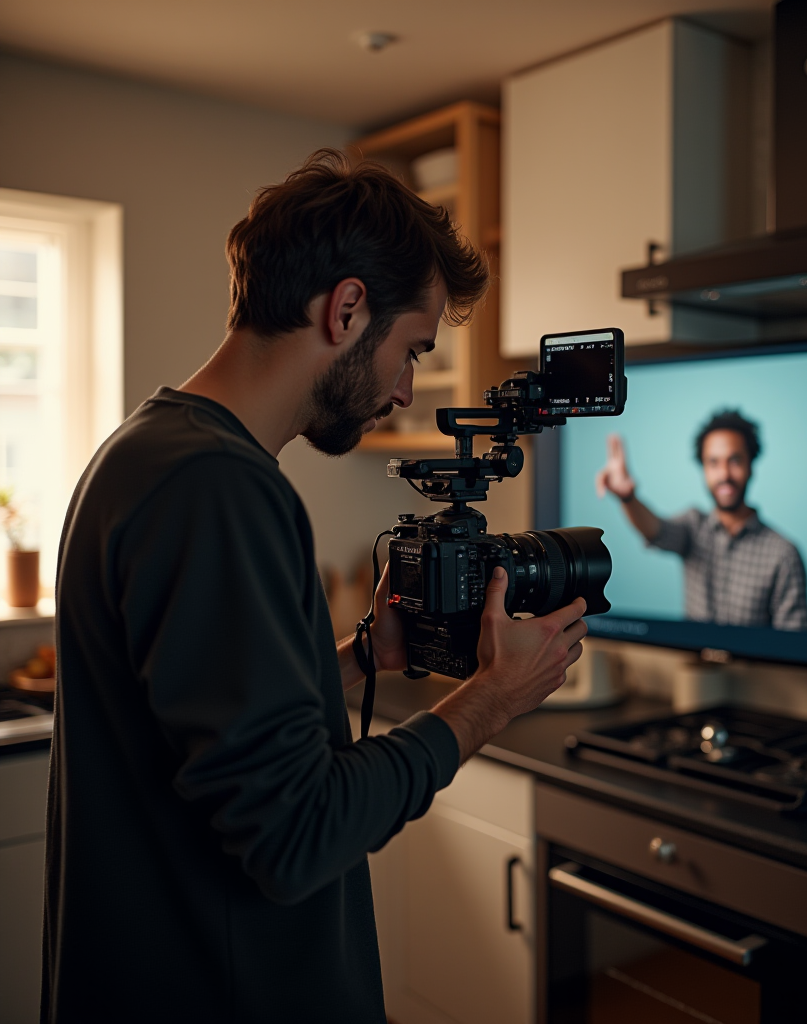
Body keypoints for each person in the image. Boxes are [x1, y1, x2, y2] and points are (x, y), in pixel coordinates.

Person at [43, 150, 588, 1024]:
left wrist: (362, 659)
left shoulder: (145, 451)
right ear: (346, 309)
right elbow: (296, 834)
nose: (406, 390)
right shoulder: (220, 489)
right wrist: (491, 701)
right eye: (412, 349)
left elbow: (200, 727)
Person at [596, 409, 807, 631]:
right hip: (692, 665)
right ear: (704, 469)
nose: (724, 474)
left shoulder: (783, 554)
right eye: (713, 462)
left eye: (735, 460)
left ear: (751, 465)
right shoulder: (693, 528)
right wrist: (627, 498)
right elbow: (654, 530)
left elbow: (794, 647)